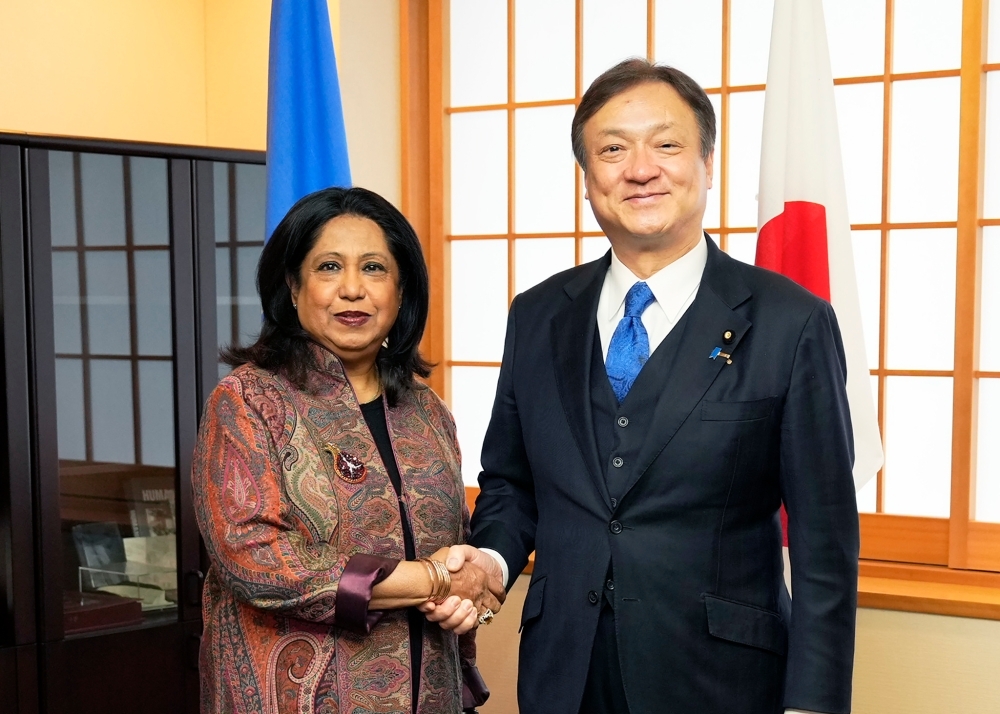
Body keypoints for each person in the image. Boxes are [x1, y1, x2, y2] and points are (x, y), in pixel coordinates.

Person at [428, 59, 860, 714]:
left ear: (707, 164)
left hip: (723, 683)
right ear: (588, 178)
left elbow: (826, 542)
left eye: (666, 144)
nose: (640, 168)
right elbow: (512, 481)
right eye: (612, 149)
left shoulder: (790, 323)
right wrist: (491, 558)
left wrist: (814, 705)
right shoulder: (538, 314)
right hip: (564, 677)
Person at [192, 186, 500, 714]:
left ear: (401, 291)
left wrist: (467, 596)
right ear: (293, 286)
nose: (353, 289)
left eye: (375, 268)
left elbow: (457, 541)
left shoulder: (427, 410)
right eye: (329, 267)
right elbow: (257, 562)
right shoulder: (246, 401)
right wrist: (431, 578)